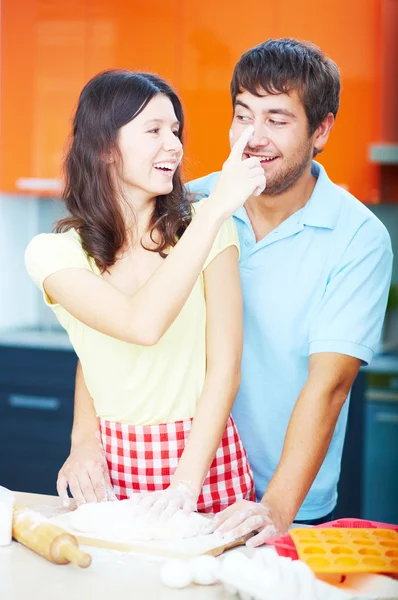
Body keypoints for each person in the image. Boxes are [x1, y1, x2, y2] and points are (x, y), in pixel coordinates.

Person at [25, 70, 267, 515]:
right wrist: (83, 441)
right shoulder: (54, 254)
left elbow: (225, 369)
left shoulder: (208, 227)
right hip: (113, 468)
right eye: (153, 130)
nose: (174, 145)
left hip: (207, 464)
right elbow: (134, 330)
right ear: (103, 147)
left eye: (175, 130)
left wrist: (184, 486)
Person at [187, 38, 393, 545]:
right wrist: (85, 442)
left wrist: (273, 509)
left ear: (320, 130)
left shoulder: (358, 236)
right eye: (243, 115)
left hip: (284, 501)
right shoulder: (191, 203)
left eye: (277, 120)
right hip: (179, 486)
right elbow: (123, 322)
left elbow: (328, 388)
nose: (253, 138)